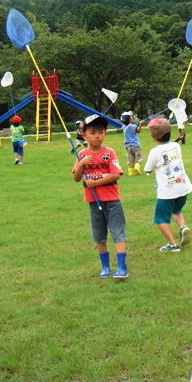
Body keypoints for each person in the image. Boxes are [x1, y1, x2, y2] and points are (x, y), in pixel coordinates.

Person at [72, 114, 128, 279]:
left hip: (112, 200)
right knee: (99, 235)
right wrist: (82, 165)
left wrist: (96, 183)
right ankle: (105, 267)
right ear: (84, 134)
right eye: (93, 132)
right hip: (93, 201)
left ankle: (122, 267)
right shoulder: (82, 155)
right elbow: (76, 178)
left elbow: (117, 174)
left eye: (101, 132)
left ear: (105, 133)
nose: (97, 136)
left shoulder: (109, 153)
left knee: (118, 232)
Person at [144, 118, 192, 253]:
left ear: (153, 137)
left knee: (160, 219)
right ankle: (183, 227)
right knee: (176, 211)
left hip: (167, 192)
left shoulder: (154, 152)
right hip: (183, 187)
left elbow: (148, 169)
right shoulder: (176, 146)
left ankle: (173, 245)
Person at [121, 111, 144, 176]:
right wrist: (141, 124)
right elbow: (138, 130)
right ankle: (137, 167)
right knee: (139, 157)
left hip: (128, 146)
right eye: (131, 117)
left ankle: (130, 172)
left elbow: (122, 128)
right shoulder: (133, 126)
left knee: (130, 159)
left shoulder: (123, 127)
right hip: (135, 145)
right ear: (130, 119)